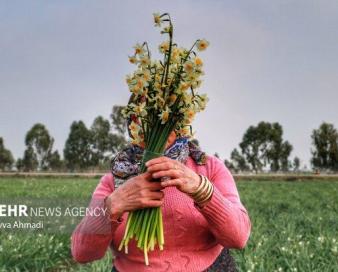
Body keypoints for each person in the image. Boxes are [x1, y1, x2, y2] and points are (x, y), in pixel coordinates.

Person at [71, 131, 251, 272]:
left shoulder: (208, 167)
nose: (157, 124)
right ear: (133, 125)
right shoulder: (114, 180)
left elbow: (239, 237)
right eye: (146, 115)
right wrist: (113, 205)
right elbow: (82, 252)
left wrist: (202, 189)